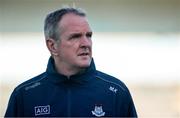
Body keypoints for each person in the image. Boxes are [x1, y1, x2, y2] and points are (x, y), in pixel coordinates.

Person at [5, 7, 137, 117]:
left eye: (89, 35)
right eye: (75, 36)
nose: (86, 43)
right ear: (52, 46)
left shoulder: (117, 92)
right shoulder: (24, 95)